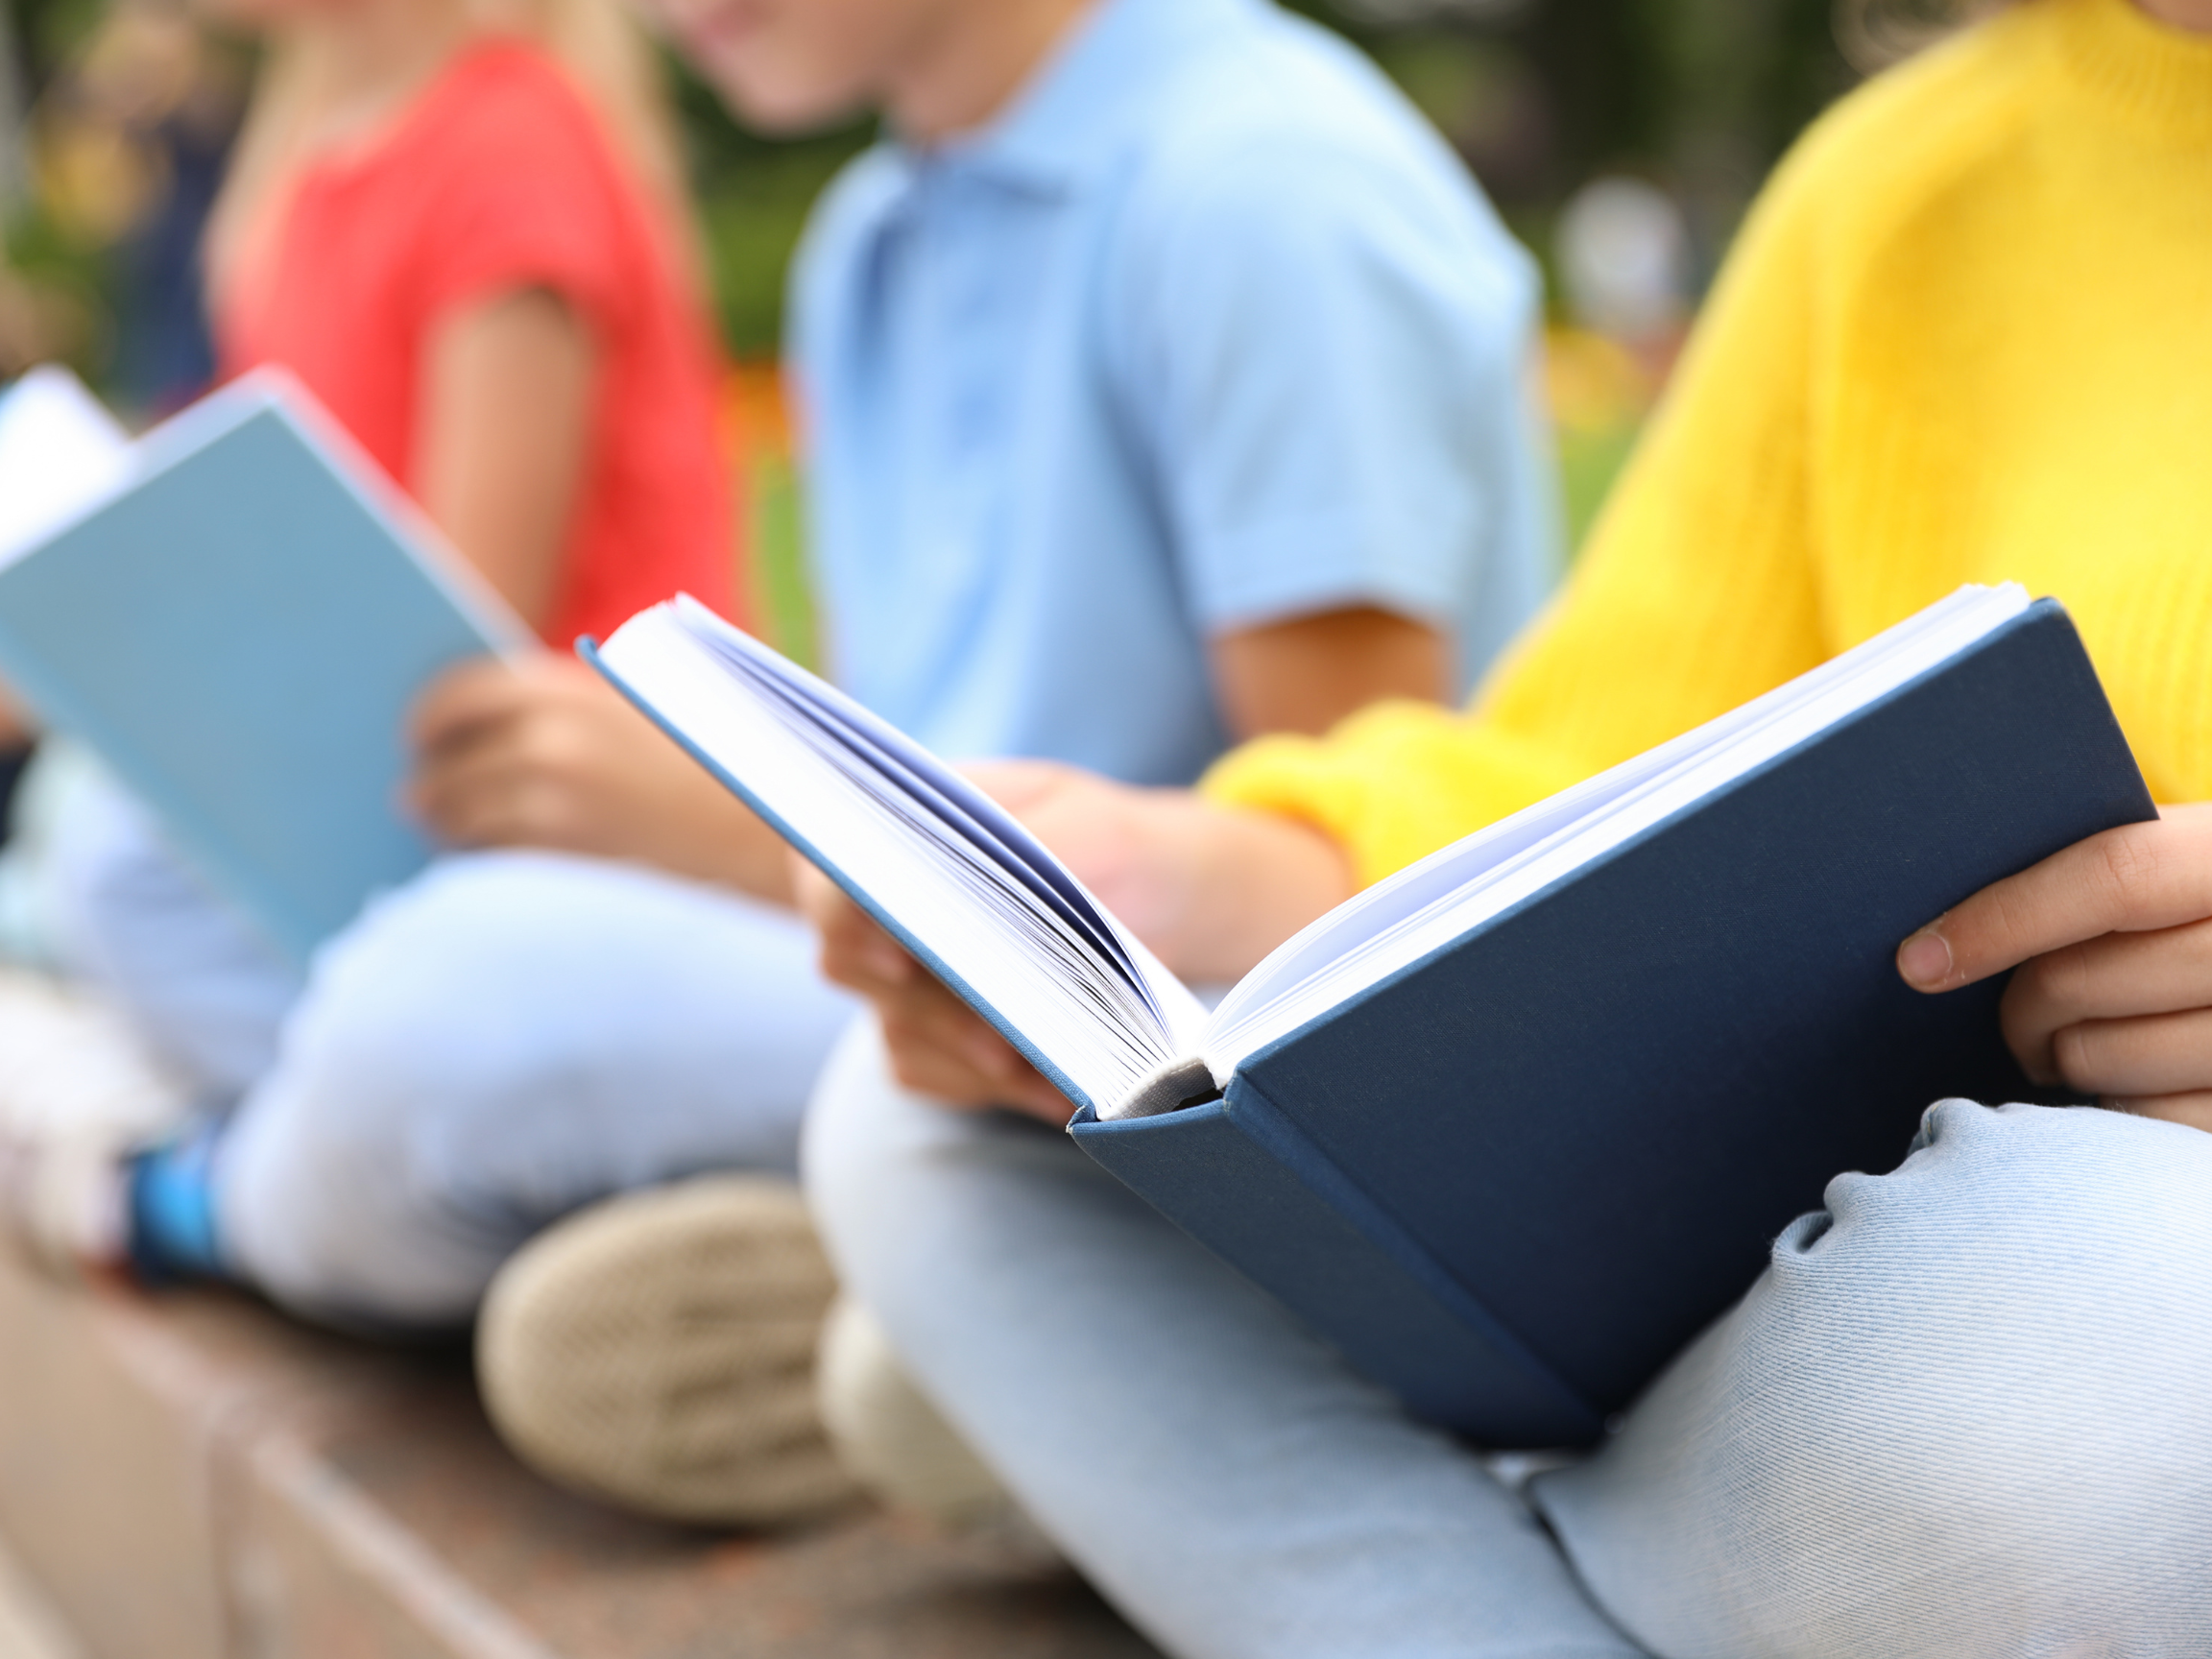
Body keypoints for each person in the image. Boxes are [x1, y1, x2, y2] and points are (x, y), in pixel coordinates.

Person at [19, 0, 1561, 1526]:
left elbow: (1331, 923)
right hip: (920, 1010)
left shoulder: (1258, 184)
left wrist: (724, 833)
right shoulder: (874, 238)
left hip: (1162, 1060)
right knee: (133, 875)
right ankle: (888, 1306)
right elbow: (921, 732)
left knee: (443, 997)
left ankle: (190, 1205)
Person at [799, 0, 2212, 1648]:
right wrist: (1195, 874)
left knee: (2114, 1362)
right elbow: (1583, 765)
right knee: (921, 1126)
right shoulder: (1903, 183)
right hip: (1795, 1293)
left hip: (2085, 1326)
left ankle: (1338, 1512)